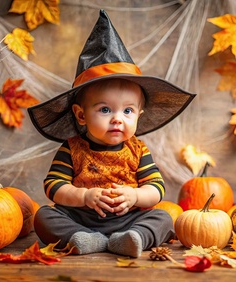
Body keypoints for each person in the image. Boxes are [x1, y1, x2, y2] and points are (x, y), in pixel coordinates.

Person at [28, 10, 195, 258]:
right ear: (81, 115)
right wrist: (85, 196)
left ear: (139, 114)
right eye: (105, 109)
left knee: (164, 216)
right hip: (81, 218)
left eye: (128, 110)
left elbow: (156, 188)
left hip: (127, 219)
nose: (118, 118)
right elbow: (53, 186)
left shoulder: (138, 150)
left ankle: (132, 238)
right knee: (44, 216)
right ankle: (81, 238)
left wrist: (135, 195)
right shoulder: (71, 148)